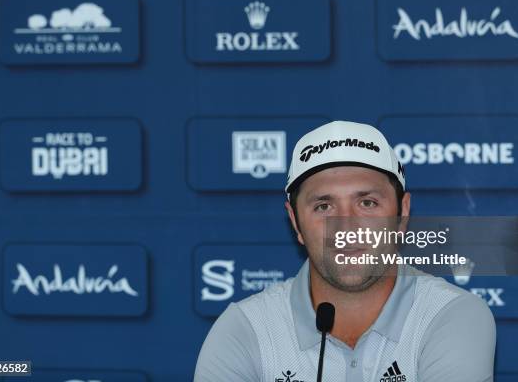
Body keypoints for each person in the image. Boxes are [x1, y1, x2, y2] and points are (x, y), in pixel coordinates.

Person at [195, 120, 496, 382]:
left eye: (367, 203)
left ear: (402, 214)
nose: (347, 227)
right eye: (324, 206)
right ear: (295, 222)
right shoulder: (245, 329)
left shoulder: (450, 315)